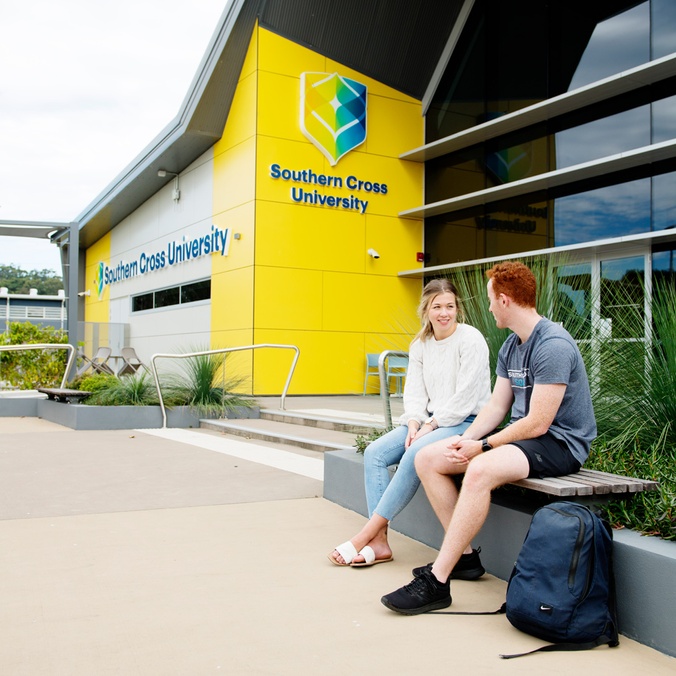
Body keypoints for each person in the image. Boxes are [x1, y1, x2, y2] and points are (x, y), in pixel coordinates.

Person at [381, 261, 597, 614]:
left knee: (479, 470)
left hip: (560, 443)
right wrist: (463, 439)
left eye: (491, 299)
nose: (489, 306)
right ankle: (464, 559)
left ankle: (437, 581)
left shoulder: (553, 344)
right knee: (428, 458)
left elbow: (539, 423)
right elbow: (497, 406)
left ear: (506, 300)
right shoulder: (512, 346)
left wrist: (482, 447)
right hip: (526, 439)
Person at [329, 278, 491, 568]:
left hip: (465, 421)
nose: (444, 313)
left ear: (458, 309)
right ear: (426, 310)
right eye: (437, 306)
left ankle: (366, 534)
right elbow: (414, 392)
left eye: (450, 306)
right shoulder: (421, 344)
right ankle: (380, 543)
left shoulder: (471, 339)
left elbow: (466, 398)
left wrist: (430, 426)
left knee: (415, 454)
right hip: (429, 421)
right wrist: (415, 422)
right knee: (375, 453)